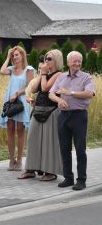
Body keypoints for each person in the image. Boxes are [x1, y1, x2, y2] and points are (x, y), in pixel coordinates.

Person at [49, 51, 95, 190]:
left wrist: (71, 93)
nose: (77, 63)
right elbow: (51, 93)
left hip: (79, 116)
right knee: (64, 148)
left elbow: (90, 93)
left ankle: (81, 180)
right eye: (74, 61)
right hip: (63, 115)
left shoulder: (86, 77)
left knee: (80, 149)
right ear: (68, 62)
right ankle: (68, 178)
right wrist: (59, 99)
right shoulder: (61, 77)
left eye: (79, 61)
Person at [19, 49, 63, 181]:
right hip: (38, 110)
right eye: (45, 59)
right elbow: (33, 89)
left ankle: (50, 171)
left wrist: (44, 74)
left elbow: (45, 88)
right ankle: (30, 169)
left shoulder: (59, 74)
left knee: (48, 142)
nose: (46, 61)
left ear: (56, 60)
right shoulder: (44, 74)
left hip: (51, 111)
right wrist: (41, 74)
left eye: (49, 59)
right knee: (33, 140)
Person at [0, 46, 34, 171]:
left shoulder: (28, 70)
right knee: (10, 128)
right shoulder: (11, 69)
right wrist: (7, 56)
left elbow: (30, 87)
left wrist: (17, 94)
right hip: (10, 101)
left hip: (21, 101)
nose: (15, 57)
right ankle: (11, 159)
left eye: (17, 55)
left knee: (20, 129)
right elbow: (2, 71)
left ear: (23, 55)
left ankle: (19, 159)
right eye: (13, 56)